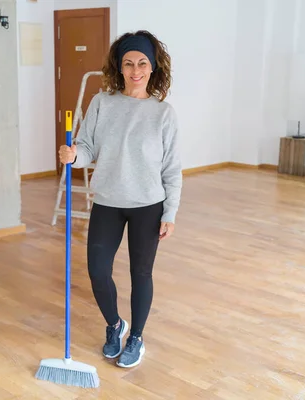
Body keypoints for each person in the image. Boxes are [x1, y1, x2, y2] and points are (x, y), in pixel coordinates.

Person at [58, 30, 182, 368]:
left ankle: (136, 336)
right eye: (128, 63)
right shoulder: (102, 102)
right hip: (108, 201)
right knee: (98, 271)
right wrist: (73, 156)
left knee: (141, 274)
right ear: (119, 67)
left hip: (148, 205)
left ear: (153, 67)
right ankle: (115, 324)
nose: (135, 70)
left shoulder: (163, 113)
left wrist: (169, 212)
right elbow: (86, 148)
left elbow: (172, 168)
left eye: (142, 63)